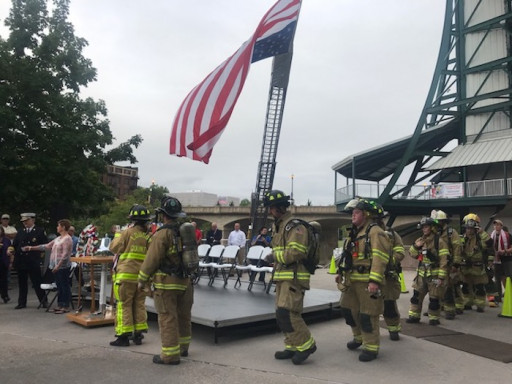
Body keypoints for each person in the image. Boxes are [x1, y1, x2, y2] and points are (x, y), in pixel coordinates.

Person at [263, 190, 316, 365]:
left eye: (271, 207)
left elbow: (297, 252)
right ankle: (292, 345)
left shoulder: (295, 226)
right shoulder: (279, 225)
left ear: (278, 208)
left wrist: (274, 257)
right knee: (281, 313)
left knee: (289, 312)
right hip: (282, 276)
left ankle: (306, 345)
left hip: (294, 277)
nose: (270, 211)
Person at [138, 196, 194, 365]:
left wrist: (142, 280)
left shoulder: (162, 234)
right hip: (186, 282)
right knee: (184, 316)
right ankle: (183, 348)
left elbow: (151, 259)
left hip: (167, 284)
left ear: (163, 215)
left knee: (168, 317)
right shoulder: (185, 232)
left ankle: (170, 355)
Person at [336, 198, 389, 362]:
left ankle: (371, 347)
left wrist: (375, 281)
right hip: (352, 280)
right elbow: (346, 256)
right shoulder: (354, 232)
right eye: (353, 212)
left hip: (367, 281)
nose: (353, 215)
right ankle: (358, 337)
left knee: (368, 315)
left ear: (366, 215)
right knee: (348, 310)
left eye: (356, 212)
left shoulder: (375, 232)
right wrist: (340, 272)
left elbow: (380, 258)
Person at [109, 205, 151, 347]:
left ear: (132, 219)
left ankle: (123, 337)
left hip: (125, 276)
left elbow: (114, 248)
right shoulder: (147, 236)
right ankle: (138, 334)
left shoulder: (127, 233)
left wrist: (117, 234)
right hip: (141, 277)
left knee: (124, 305)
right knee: (139, 304)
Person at [407, 216, 449, 325]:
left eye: (426, 227)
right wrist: (416, 246)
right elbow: (412, 254)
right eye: (423, 227)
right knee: (416, 296)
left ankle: (434, 318)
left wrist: (441, 277)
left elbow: (444, 260)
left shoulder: (440, 242)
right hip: (421, 275)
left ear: (432, 228)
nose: (424, 229)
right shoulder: (420, 240)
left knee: (434, 299)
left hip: (434, 275)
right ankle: (414, 316)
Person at [25, 219, 73, 313]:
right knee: (59, 285)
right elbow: (47, 246)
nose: (57, 227)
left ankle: (65, 305)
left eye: (58, 226)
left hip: (62, 266)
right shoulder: (58, 238)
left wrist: (58, 266)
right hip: (54, 265)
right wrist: (31, 248)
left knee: (64, 285)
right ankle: (60, 304)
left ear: (63, 227)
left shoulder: (67, 238)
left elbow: (65, 254)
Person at [374, 207, 405, 341]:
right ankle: (369, 335)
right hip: (368, 276)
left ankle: (393, 329)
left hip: (388, 276)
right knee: (369, 307)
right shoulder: (364, 232)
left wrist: (387, 261)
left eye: (378, 218)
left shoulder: (391, 233)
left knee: (389, 305)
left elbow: (400, 252)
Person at [9, 213, 48, 309]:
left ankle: (43, 301)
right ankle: (22, 302)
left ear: (33, 220)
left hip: (33, 260)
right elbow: (14, 244)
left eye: (27, 221)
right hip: (21, 260)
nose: (25, 223)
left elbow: (45, 245)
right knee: (22, 283)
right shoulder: (20, 231)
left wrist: (40, 257)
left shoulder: (39, 231)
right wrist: (10, 250)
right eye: (23, 221)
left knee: (37, 282)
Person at [431, 209, 463, 319]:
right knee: (436, 287)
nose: (437, 224)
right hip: (437, 265)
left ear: (444, 222)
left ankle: (450, 311)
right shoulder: (433, 232)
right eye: (436, 222)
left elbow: (457, 248)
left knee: (449, 287)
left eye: (439, 221)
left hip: (449, 265)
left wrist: (456, 264)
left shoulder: (451, 233)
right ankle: (436, 309)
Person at [459, 214, 493, 312]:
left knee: (480, 287)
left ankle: (480, 305)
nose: (469, 230)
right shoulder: (462, 238)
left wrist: (482, 233)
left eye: (471, 228)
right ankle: (468, 303)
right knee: (465, 287)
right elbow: (457, 249)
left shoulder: (480, 238)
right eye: (468, 228)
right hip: (465, 267)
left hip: (478, 267)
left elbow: (490, 245)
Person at [490, 220, 512, 305]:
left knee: (509, 277)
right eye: (495, 225)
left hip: (507, 258)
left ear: (501, 226)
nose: (496, 226)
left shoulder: (508, 235)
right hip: (496, 259)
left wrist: (505, 251)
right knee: (497, 278)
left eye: (498, 225)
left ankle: (509, 294)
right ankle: (498, 297)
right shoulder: (492, 236)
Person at [0, 226, 11, 303]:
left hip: (4, 262)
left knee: (4, 280)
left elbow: (11, 250)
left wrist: (11, 262)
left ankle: (5, 296)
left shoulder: (6, 240)